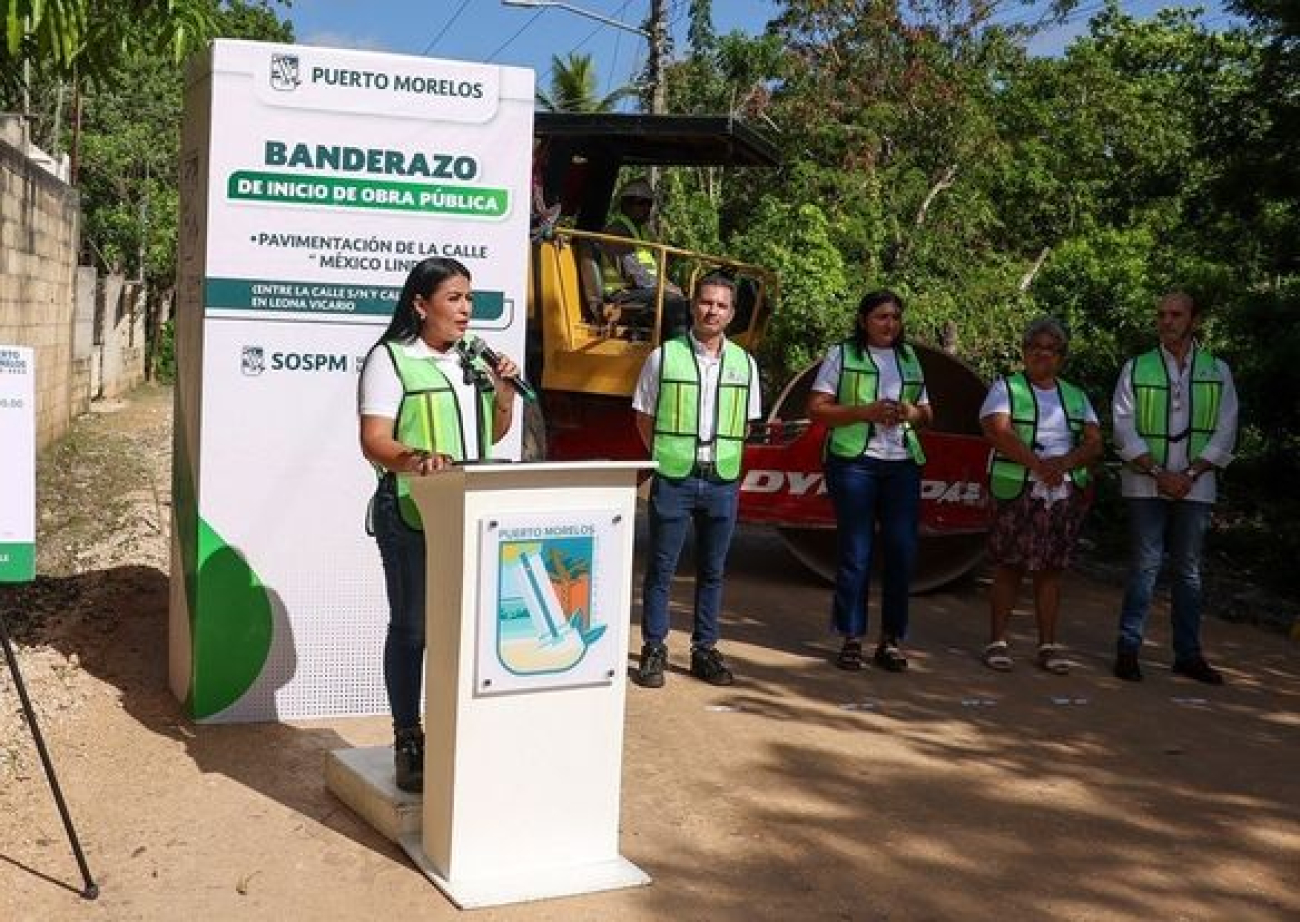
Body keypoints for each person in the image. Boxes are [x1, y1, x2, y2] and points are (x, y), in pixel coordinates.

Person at [357, 257, 523, 793]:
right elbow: (374, 440)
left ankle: (461, 730)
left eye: (469, 299)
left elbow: (494, 435)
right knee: (413, 628)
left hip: (469, 514)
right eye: (454, 298)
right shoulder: (391, 359)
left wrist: (501, 390)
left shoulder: (472, 361)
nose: (465, 310)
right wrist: (417, 458)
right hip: (409, 513)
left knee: (466, 628)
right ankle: (409, 736)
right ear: (421, 304)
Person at [632, 274, 762, 688]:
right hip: (675, 476)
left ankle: (704, 649)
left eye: (722, 306)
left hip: (721, 479)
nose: (713, 311)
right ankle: (654, 648)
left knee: (713, 570)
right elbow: (644, 417)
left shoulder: (745, 363)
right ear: (693, 306)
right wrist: (669, 454)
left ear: (732, 314)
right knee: (662, 569)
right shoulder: (663, 357)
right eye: (706, 303)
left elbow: (745, 423)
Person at [1111, 292, 1238, 685]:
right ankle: (1128, 650)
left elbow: (1226, 427)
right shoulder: (1137, 367)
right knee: (1145, 566)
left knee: (1188, 571)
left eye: (1175, 315)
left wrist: (1191, 473)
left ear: (1193, 320)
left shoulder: (1217, 370)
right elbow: (1122, 424)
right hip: (1145, 482)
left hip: (1195, 485)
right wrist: (1158, 472)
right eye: (1161, 314)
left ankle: (1188, 654)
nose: (1166, 321)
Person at [807, 290, 933, 673]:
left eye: (895, 317)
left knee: (901, 552)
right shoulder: (841, 354)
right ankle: (851, 637)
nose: (889, 324)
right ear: (863, 320)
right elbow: (816, 408)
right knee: (856, 552)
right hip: (854, 461)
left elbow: (928, 413)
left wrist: (911, 412)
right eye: (881, 317)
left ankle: (891, 640)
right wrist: (865, 412)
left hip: (902, 463)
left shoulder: (910, 357)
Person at [980, 317, 1102, 675]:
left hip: (1061, 492)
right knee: (1010, 564)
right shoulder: (1006, 388)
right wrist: (1038, 465)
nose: (1042, 355)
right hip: (1017, 487)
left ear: (1061, 356)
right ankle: (997, 641)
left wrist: (1063, 463)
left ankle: (1047, 645)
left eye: (1050, 349)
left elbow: (1095, 442)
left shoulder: (1076, 395)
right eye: (1035, 348)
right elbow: (997, 431)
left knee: (1052, 569)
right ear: (1024, 352)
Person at [600, 177, 689, 337]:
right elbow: (636, 276)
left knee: (691, 302)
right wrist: (666, 288)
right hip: (621, 295)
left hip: (638, 291)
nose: (646, 208)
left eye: (649, 203)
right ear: (626, 205)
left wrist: (669, 285)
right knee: (674, 302)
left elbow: (652, 271)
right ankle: (681, 353)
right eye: (641, 203)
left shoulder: (641, 232)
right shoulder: (617, 231)